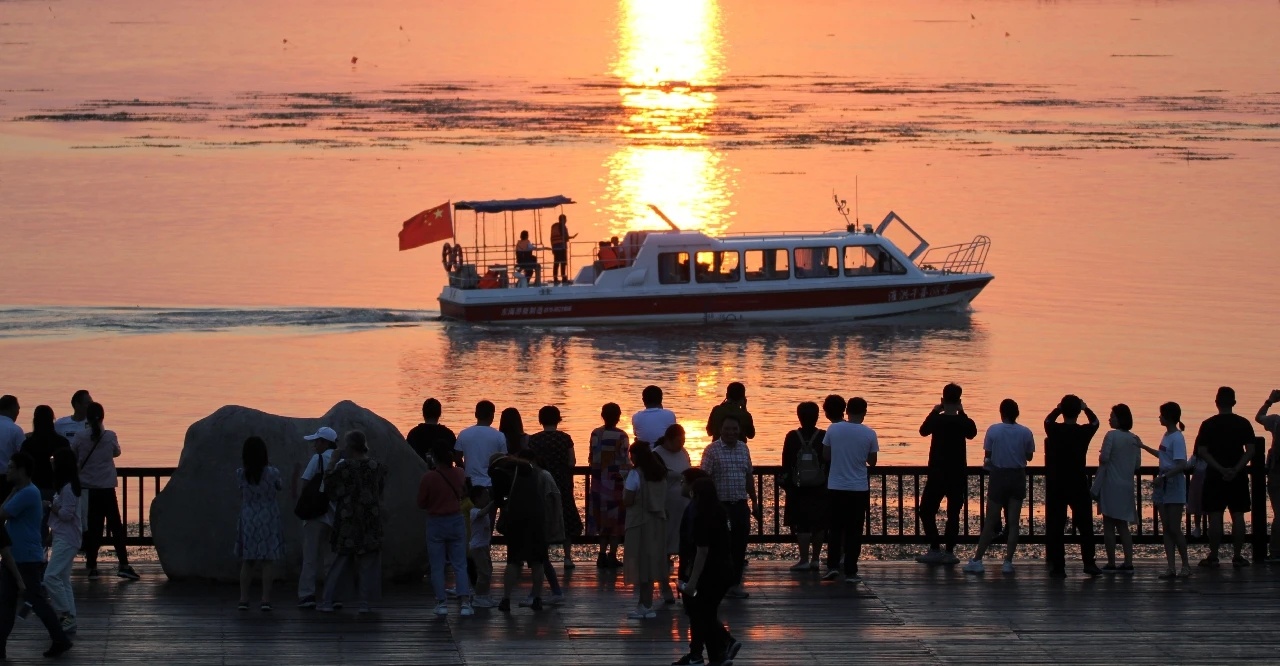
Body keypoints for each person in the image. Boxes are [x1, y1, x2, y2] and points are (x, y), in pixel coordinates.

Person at [0, 453, 73, 659]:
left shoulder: (27, 493)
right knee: (6, 603)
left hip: (25, 558)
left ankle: (60, 639)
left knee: (36, 601)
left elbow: (1, 514)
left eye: (12, 467)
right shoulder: (23, 492)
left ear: (22, 470)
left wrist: (12, 493)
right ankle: (0, 647)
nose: (8, 469)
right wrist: (12, 491)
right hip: (15, 557)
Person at [318, 430, 387, 613]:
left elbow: (329, 489)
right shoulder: (377, 467)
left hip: (348, 519)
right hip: (370, 519)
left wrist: (332, 461)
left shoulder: (344, 467)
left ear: (350, 447)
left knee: (340, 562)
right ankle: (365, 603)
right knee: (368, 563)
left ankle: (328, 601)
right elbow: (379, 492)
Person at [964, 399, 1035, 574]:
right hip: (1017, 476)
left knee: (990, 521)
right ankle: (1008, 561)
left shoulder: (993, 430)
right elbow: (1029, 456)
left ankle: (978, 559)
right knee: (1013, 522)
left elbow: (987, 455)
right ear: (1017, 413)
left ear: (1001, 412)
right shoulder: (1026, 432)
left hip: (999, 476)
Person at [70, 401, 139, 580]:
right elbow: (116, 453)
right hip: (107, 488)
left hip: (88, 489)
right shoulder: (109, 436)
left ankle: (92, 566)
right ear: (103, 417)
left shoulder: (79, 436)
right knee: (116, 527)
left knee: (94, 528)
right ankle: (123, 564)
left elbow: (73, 455)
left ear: (87, 418)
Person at [680, 476, 741, 666]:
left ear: (695, 494)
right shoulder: (721, 512)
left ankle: (722, 647)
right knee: (706, 613)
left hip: (710, 574)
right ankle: (716, 656)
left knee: (701, 614)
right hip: (725, 570)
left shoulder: (701, 516)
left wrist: (691, 581)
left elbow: (702, 551)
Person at [1195, 386, 1258, 567]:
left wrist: (1221, 469)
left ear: (1216, 403)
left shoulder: (1208, 424)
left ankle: (1214, 555)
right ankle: (1237, 556)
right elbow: (1250, 451)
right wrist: (1236, 468)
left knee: (1215, 515)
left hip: (1215, 475)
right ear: (1234, 403)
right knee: (1238, 515)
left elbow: (1202, 451)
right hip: (1237, 476)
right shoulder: (1243, 423)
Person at [915, 384, 977, 566]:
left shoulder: (937, 420)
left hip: (937, 474)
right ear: (959, 401)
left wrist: (934, 411)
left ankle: (935, 548)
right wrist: (963, 413)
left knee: (926, 511)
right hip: (957, 475)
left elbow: (923, 430)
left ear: (942, 400)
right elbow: (972, 433)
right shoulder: (963, 422)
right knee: (953, 514)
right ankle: (949, 552)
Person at [1042, 394, 1102, 578]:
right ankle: (1089, 562)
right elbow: (1096, 422)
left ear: (1063, 411)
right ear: (1077, 412)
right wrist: (1086, 408)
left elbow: (1047, 420)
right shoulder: (1083, 432)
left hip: (1057, 483)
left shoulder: (1054, 430)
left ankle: (1058, 565)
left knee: (1056, 525)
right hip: (1077, 481)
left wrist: (1058, 408)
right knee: (1085, 525)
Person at [700, 415, 759, 598]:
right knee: (719, 547)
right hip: (720, 507)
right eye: (727, 429)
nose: (731, 432)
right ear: (720, 429)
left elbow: (749, 476)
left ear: (739, 430)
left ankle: (735, 584)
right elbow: (704, 478)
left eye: (734, 429)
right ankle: (717, 583)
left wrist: (754, 500)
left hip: (740, 504)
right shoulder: (711, 450)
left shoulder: (744, 448)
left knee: (739, 546)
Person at [822, 397, 878, 584]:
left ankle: (832, 567)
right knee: (854, 530)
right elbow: (872, 461)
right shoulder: (869, 433)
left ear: (846, 411)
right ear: (864, 412)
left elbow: (826, 455)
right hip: (858, 487)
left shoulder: (833, 429)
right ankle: (851, 571)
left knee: (835, 529)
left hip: (836, 486)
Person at [1136, 402, 1193, 578]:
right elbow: (1164, 456)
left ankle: (1185, 565)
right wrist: (1144, 447)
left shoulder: (1177, 438)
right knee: (1167, 528)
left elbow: (1181, 464)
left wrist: (1164, 477)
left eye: (1161, 415)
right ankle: (1171, 567)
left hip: (1173, 484)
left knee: (1175, 528)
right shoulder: (1166, 435)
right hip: (1163, 483)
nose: (1159, 417)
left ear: (1168, 417)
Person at [417, 441, 472, 617]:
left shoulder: (428, 477)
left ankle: (441, 602)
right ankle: (465, 603)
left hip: (436, 522)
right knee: (460, 564)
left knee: (437, 565)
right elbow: (463, 492)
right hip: (456, 519)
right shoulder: (460, 473)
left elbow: (421, 503)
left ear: (434, 459)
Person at [489, 454, 548, 613]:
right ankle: (537, 597)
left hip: (516, 517)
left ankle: (506, 599)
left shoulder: (498, 472)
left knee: (513, 560)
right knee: (537, 560)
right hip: (537, 516)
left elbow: (498, 499)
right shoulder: (531, 469)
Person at [527, 405, 582, 568]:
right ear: (558, 419)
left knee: (543, 516)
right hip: (562, 483)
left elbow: (531, 462)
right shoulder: (565, 438)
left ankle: (544, 556)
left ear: (540, 420)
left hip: (541, 483)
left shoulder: (534, 439)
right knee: (565, 516)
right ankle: (567, 557)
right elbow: (572, 461)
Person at [235, 436, 284, 611]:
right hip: (268, 517)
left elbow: (241, 491)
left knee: (247, 561)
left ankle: (243, 599)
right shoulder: (272, 473)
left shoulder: (241, 473)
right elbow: (280, 487)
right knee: (267, 560)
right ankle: (265, 599)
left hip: (248, 516)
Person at [623, 442, 669, 619]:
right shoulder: (659, 475)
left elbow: (628, 500)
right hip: (657, 523)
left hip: (639, 523)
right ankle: (645, 604)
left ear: (635, 456)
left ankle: (646, 605)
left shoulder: (635, 474)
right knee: (652, 563)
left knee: (640, 564)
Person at [781, 401, 827, 571]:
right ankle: (816, 559)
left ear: (799, 417)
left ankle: (803, 559)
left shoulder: (792, 436)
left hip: (798, 487)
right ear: (817, 416)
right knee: (819, 523)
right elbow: (828, 460)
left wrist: (787, 482)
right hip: (820, 485)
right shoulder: (824, 435)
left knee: (802, 523)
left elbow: (786, 462)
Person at [295, 426, 338, 609]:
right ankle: (333, 595)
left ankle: (307, 595)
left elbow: (305, 482)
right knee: (331, 558)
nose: (314, 445)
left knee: (310, 556)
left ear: (325, 442)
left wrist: (302, 504)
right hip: (334, 515)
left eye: (317, 441)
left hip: (315, 515)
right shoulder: (341, 460)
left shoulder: (317, 459)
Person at [1096, 405, 1141, 574]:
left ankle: (1111, 562)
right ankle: (1128, 561)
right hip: (1126, 485)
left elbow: (1104, 458)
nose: (1110, 419)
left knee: (1108, 524)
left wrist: (1101, 454)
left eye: (1112, 416)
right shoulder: (1134, 438)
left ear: (1119, 419)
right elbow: (1137, 465)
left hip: (1111, 484)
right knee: (1123, 525)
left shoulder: (1111, 435)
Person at [44, 448, 81, 634]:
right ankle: (70, 618)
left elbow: (66, 515)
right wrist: (52, 532)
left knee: (50, 577)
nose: (51, 462)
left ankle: (66, 613)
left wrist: (50, 506)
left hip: (68, 538)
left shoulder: (68, 488)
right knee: (63, 578)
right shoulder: (64, 487)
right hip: (62, 536)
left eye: (54, 459)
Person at [587, 403, 630, 568]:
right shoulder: (621, 436)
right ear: (619, 416)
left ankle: (601, 553)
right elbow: (625, 459)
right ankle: (612, 554)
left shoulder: (596, 433)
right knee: (616, 520)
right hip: (615, 482)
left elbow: (593, 456)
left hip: (598, 481)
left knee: (602, 518)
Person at [652, 423, 691, 603]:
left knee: (685, 546)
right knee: (664, 549)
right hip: (665, 508)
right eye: (678, 441)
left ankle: (684, 583)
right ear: (669, 439)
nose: (681, 444)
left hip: (684, 506)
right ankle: (664, 585)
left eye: (684, 441)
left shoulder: (683, 453)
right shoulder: (657, 455)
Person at [454, 400, 508, 491]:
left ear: (476, 414)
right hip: (491, 483)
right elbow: (503, 460)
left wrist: (464, 468)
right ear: (492, 415)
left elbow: (457, 457)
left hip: (470, 483)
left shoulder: (464, 434)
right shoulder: (499, 436)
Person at [22, 405, 68, 500]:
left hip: (33, 488)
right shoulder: (62, 442)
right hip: (55, 488)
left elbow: (23, 467)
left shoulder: (28, 443)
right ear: (52, 420)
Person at [1256, 390, 1280, 562]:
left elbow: (1259, 417)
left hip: (1276, 473)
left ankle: (1275, 552)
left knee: (1279, 514)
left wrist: (1270, 401)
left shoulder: (1277, 421)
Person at [467, 485, 497, 608]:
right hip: (477, 546)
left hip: (484, 546)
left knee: (488, 571)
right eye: (485, 496)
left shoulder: (482, 512)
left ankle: (485, 595)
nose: (488, 499)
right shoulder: (474, 512)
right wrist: (493, 503)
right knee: (483, 572)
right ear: (477, 499)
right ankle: (479, 596)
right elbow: (482, 512)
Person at [406, 398, 456, 467]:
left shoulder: (413, 434)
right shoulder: (448, 434)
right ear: (440, 413)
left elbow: (407, 456)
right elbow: (455, 457)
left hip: (419, 474)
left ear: (423, 413)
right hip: (441, 475)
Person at [550, 213, 577, 285]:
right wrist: (572, 237)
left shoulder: (554, 226)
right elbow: (565, 237)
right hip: (562, 247)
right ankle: (564, 278)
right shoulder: (563, 226)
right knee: (563, 263)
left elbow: (552, 238)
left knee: (556, 263)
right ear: (563, 220)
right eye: (565, 219)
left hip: (555, 247)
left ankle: (555, 278)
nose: (566, 221)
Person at [0, 395, 23, 471]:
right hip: (5, 478)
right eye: (18, 408)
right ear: (12, 409)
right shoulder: (15, 430)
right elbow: (23, 454)